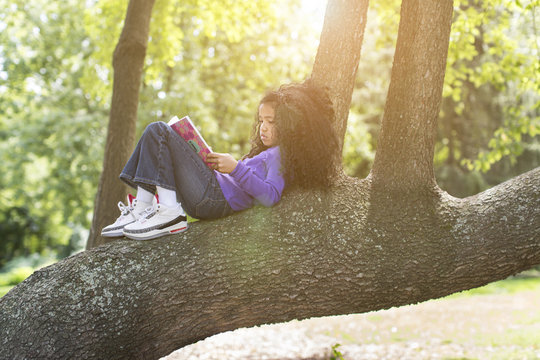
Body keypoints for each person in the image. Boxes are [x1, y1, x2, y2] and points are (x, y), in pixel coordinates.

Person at [101, 79, 338, 240]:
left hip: (214, 198)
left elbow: (270, 196)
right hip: (211, 191)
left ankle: (167, 212)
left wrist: (235, 168)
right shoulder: (267, 153)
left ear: (291, 126)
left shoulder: (281, 156)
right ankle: (142, 209)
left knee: (159, 131)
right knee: (160, 136)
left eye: (272, 122)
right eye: (261, 121)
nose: (263, 128)